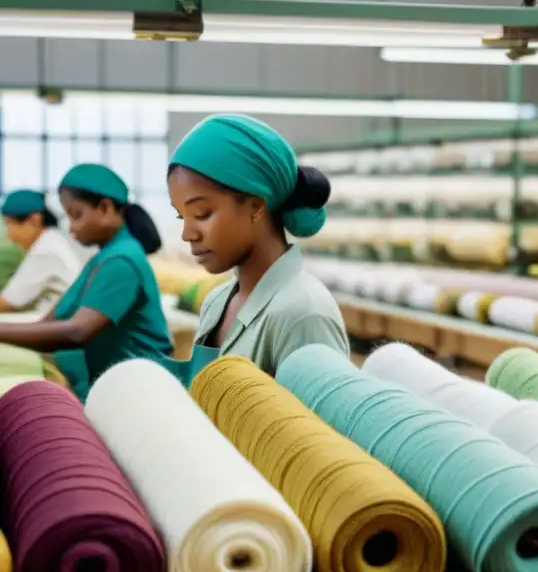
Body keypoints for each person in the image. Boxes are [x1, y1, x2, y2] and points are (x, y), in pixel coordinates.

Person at [167, 113, 348, 377]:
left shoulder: (303, 314)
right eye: (182, 216)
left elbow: (315, 419)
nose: (188, 234)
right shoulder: (217, 302)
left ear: (255, 206)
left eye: (203, 213)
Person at [0, 165, 173, 398]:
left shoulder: (122, 260)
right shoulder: (102, 258)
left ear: (105, 207)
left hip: (137, 389)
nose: (71, 228)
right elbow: (50, 321)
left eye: (76, 215)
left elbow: (76, 332)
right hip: (112, 379)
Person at [0, 189, 83, 314]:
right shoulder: (50, 240)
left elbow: (8, 302)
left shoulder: (45, 251)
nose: (9, 232)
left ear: (34, 220)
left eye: (10, 224)